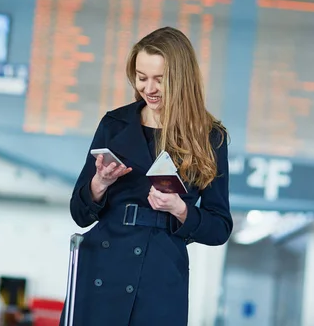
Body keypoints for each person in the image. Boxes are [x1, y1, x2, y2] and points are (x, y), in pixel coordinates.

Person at [63, 26, 233, 326]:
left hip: (161, 274)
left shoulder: (210, 137)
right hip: (102, 267)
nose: (148, 88)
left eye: (159, 80)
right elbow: (79, 214)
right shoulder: (114, 124)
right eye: (142, 78)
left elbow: (219, 228)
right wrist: (100, 183)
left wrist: (180, 210)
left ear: (181, 79)